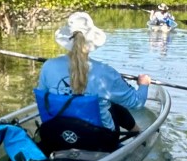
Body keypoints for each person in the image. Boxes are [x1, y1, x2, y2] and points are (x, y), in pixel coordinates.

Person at [35, 11, 151, 153]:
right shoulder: (105, 72)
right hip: (98, 141)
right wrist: (144, 84)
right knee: (113, 105)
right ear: (91, 40)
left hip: (57, 136)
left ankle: (138, 134)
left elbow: (43, 97)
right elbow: (137, 103)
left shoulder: (49, 66)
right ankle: (139, 135)